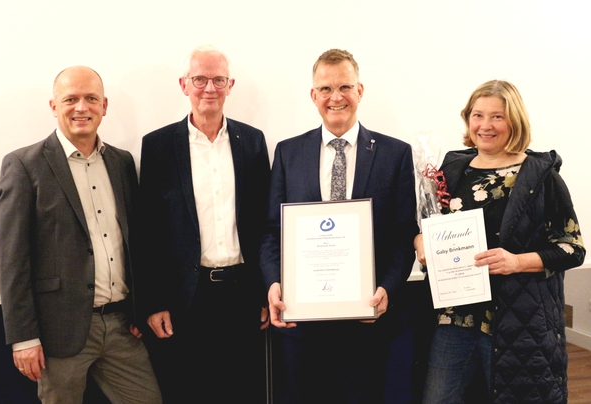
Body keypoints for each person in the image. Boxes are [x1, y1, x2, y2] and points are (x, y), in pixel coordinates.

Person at [259, 48, 419, 404]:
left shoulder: (395, 154)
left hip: (367, 320)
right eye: (326, 89)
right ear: (313, 95)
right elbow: (272, 231)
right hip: (302, 322)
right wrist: (273, 282)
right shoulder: (288, 153)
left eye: (345, 87)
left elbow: (402, 235)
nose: (336, 97)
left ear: (360, 91)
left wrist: (388, 290)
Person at [0, 66, 162, 403]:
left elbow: (136, 243)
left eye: (91, 99)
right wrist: (23, 338)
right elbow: (13, 259)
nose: (81, 108)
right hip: (60, 332)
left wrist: (139, 307)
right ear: (54, 106)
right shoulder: (24, 166)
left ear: (105, 105)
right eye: (71, 99)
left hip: (119, 326)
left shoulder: (122, 162)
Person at [415, 79, 586, 404]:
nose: (486, 125)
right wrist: (420, 240)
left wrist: (517, 261)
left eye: (497, 116)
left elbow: (572, 248)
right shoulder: (451, 170)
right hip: (454, 317)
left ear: (514, 121)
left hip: (516, 319)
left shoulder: (541, 176)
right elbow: (428, 223)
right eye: (478, 115)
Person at [137, 44, 271, 404]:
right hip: (186, 300)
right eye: (200, 79)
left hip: (242, 294)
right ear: (184, 84)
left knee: (243, 391)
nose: (209, 88)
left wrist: (264, 291)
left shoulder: (253, 142)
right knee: (189, 391)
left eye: (218, 80)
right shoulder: (158, 146)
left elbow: (263, 223)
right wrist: (153, 302)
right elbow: (148, 231)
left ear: (230, 85)